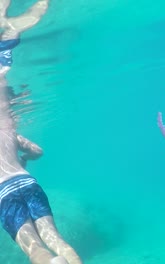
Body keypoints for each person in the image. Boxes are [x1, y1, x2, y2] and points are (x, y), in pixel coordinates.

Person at [0, 1, 82, 263]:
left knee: (35, 249)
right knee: (57, 240)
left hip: (4, 194)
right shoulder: (10, 132)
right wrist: (22, 159)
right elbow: (37, 151)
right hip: (29, 184)